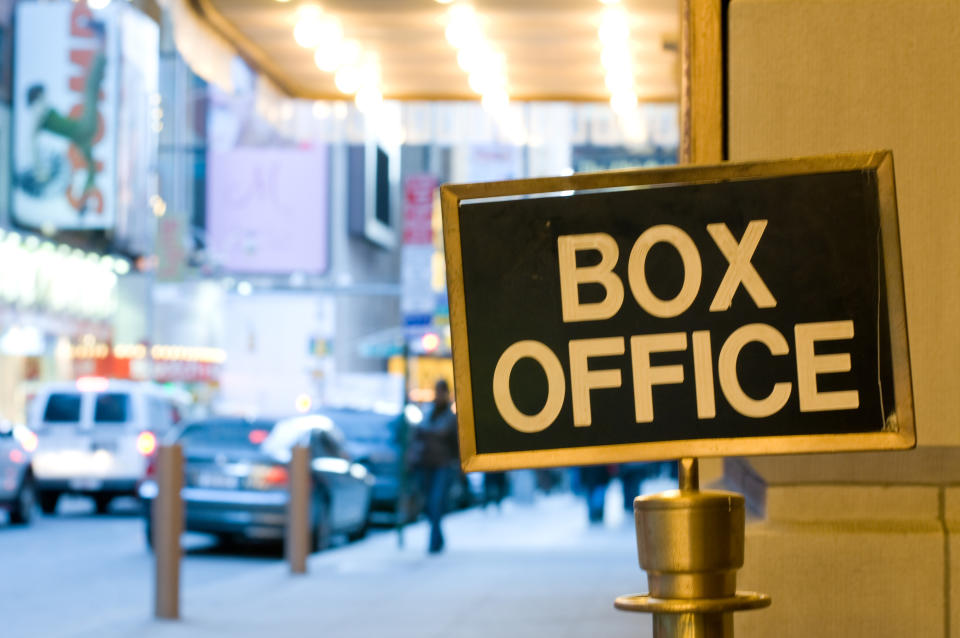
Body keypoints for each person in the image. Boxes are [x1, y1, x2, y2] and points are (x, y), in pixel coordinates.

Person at [23, 19, 106, 210]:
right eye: (42, 95)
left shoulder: (40, 112)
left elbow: (32, 140)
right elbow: (31, 141)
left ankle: (84, 199)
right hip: (82, 129)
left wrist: (40, 169)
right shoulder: (39, 112)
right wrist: (39, 170)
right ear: (37, 96)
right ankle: (101, 42)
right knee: (90, 87)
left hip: (79, 135)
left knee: (91, 169)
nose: (45, 96)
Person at [410, 379, 459, 554]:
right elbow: (417, 436)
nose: (438, 395)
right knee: (428, 503)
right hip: (425, 465)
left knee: (436, 501)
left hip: (443, 465)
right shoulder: (427, 413)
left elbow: (455, 443)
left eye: (441, 392)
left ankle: (434, 541)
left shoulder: (450, 418)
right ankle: (438, 537)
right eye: (437, 392)